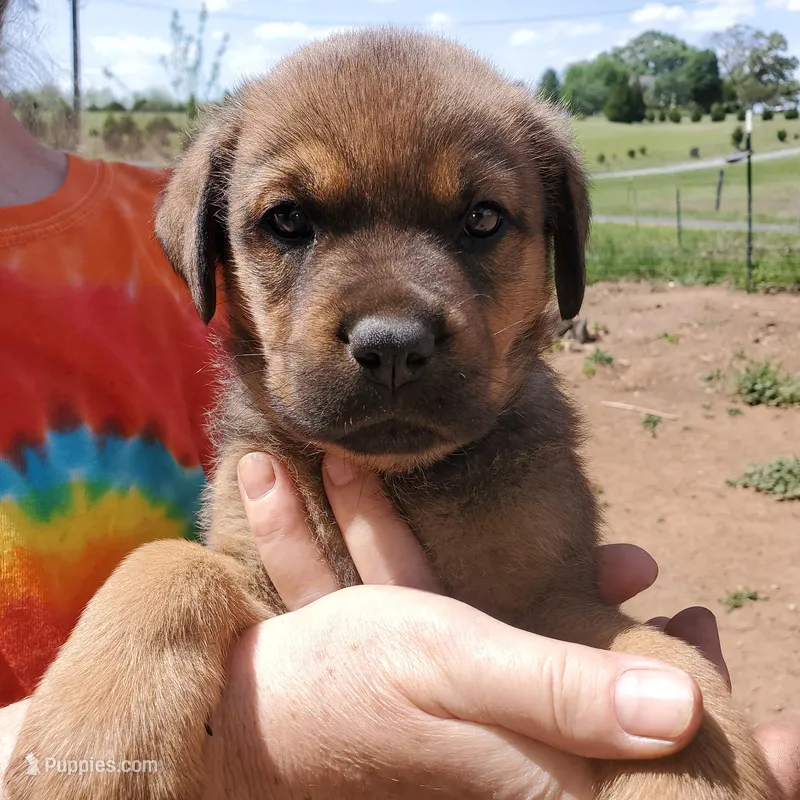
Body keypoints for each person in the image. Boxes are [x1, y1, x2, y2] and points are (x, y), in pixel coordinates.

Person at [1, 2, 798, 794]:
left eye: (482, 220)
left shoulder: (526, 458)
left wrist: (669, 726)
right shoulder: (261, 450)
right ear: (212, 248)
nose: (389, 329)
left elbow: (564, 624)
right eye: (290, 222)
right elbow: (236, 585)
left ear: (559, 244)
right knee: (177, 582)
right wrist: (166, 617)